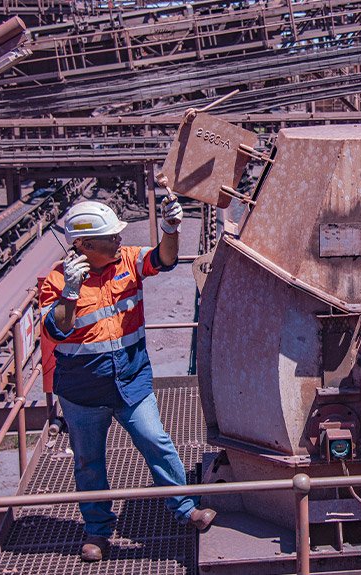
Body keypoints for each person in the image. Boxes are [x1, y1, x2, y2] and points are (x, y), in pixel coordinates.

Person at [39, 197, 215, 562]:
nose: (119, 240)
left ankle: (185, 509)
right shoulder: (58, 281)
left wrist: (170, 229)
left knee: (156, 441)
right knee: (89, 462)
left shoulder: (128, 260)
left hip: (130, 382)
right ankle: (97, 531)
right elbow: (56, 329)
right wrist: (71, 293)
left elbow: (164, 260)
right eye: (110, 237)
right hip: (83, 393)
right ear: (84, 246)